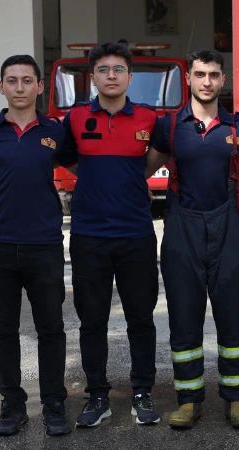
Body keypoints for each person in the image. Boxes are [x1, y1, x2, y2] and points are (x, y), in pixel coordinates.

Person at [0, 55, 71, 437]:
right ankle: (12, 404)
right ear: (2, 87)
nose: (20, 87)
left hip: (44, 247)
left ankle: (54, 403)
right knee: (3, 330)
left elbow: (88, 171)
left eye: (27, 80)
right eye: (12, 80)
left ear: (40, 86)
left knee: (51, 329)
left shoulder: (56, 132)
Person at [148, 49, 239, 429]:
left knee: (233, 319)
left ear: (222, 79)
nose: (206, 81)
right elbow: (142, 168)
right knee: (184, 317)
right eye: (199, 74)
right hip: (181, 229)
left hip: (229, 231)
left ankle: (236, 400)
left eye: (213, 74)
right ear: (188, 79)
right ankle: (189, 401)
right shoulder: (170, 125)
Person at [55, 41, 160, 427]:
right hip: (89, 235)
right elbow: (69, 158)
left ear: (130, 77)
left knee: (141, 319)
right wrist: (99, 179)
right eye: (103, 69)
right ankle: (97, 395)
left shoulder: (150, 119)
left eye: (118, 69)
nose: (111, 76)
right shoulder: (76, 119)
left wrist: (130, 178)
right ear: (93, 77)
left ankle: (142, 393)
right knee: (92, 321)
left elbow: (156, 158)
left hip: (135, 234)